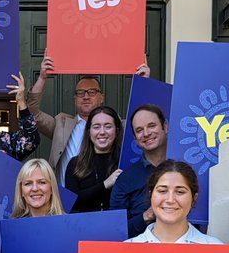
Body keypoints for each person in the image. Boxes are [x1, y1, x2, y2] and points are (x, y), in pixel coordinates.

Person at [27, 57, 149, 185]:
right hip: (65, 198)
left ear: (102, 97)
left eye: (92, 92)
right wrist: (42, 78)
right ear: (75, 99)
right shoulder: (61, 124)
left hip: (105, 196)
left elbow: (144, 117)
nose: (86, 96)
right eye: (81, 93)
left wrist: (144, 82)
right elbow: (31, 114)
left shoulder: (117, 125)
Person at [127, 160, 223, 244]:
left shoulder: (216, 249)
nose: (170, 200)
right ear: (150, 195)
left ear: (194, 198)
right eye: (162, 191)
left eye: (180, 192)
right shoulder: (127, 250)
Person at [110, 103, 169, 237]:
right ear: (136, 139)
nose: (146, 133)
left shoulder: (186, 171)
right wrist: (147, 216)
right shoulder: (125, 180)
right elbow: (116, 231)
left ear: (165, 127)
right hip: (140, 252)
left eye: (151, 126)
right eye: (139, 130)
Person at [64, 105, 123, 213]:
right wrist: (105, 185)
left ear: (117, 131)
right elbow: (71, 202)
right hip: (85, 226)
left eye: (108, 126)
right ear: (89, 131)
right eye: (96, 127)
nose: (102, 132)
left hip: (120, 226)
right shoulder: (75, 164)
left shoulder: (124, 162)